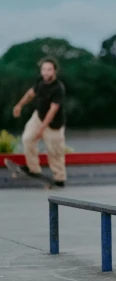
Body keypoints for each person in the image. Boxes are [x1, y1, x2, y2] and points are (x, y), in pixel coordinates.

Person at [12, 58, 67, 187]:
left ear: (54, 71)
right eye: (43, 69)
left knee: (55, 151)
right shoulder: (40, 81)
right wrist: (19, 105)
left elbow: (53, 111)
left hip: (54, 124)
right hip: (39, 116)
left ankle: (59, 179)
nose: (46, 73)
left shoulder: (58, 88)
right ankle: (33, 168)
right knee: (27, 139)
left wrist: (41, 130)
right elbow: (31, 94)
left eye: (49, 70)